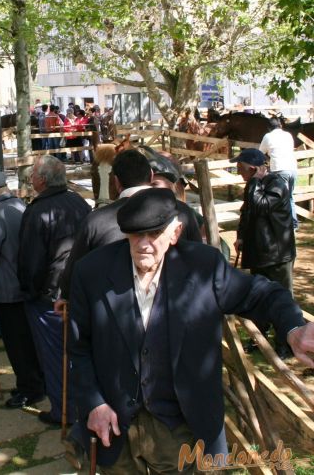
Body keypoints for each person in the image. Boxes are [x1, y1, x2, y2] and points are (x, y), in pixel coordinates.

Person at [66, 187, 314, 474]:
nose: (144, 244)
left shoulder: (204, 267)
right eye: (135, 234)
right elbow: (78, 348)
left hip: (182, 426)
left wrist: (294, 327)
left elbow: (263, 293)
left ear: (175, 232)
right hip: (115, 425)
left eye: (154, 234)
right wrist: (94, 403)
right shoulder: (91, 271)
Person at [57, 149, 202, 307]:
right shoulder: (183, 212)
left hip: (112, 310)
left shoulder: (95, 221)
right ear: (151, 176)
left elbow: (74, 274)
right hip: (176, 305)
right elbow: (198, 261)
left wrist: (65, 297)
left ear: (117, 182)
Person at [18, 155, 90, 426]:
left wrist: (30, 291)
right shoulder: (78, 201)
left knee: (55, 357)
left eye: (33, 176)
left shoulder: (38, 211)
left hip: (50, 297)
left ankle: (64, 411)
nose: (31, 180)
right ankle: (80, 406)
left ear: (43, 180)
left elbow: (31, 262)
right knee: (76, 352)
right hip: (77, 291)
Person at [0, 172, 44, 409]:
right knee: (30, 339)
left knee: (16, 344)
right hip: (30, 285)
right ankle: (37, 382)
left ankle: (29, 388)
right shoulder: (21, 205)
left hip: (7, 288)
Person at [231, 148, 296, 358]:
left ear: (253, 169)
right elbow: (246, 212)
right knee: (258, 297)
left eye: (241, 168)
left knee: (282, 298)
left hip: (277, 254)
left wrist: (253, 183)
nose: (238, 172)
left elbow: (260, 206)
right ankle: (259, 339)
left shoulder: (276, 183)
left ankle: (285, 343)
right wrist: (241, 235)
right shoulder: (254, 186)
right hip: (259, 252)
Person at [260, 116, 298, 229]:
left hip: (279, 169)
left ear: (268, 128)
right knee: (290, 197)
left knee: (281, 198)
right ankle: (294, 223)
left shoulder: (268, 136)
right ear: (280, 125)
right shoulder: (288, 135)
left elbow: (260, 152)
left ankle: (284, 224)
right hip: (292, 168)